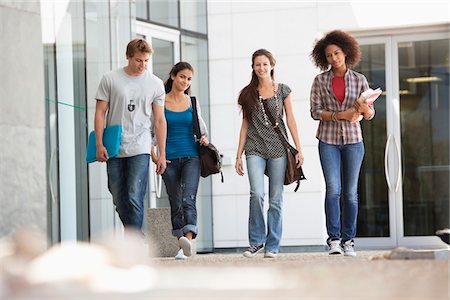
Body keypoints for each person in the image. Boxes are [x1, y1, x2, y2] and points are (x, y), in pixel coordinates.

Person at [310, 30, 375, 257]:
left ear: (345, 52)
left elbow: (369, 115)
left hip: (354, 141)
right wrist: (341, 115)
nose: (333, 58)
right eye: (328, 55)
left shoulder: (359, 79)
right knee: (333, 190)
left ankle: (349, 241)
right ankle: (334, 240)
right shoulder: (320, 81)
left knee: (350, 193)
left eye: (336, 53)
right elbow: (314, 112)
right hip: (327, 140)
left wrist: (363, 107)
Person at [235, 49, 304, 258]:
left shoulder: (283, 90)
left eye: (265, 64)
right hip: (254, 148)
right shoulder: (247, 93)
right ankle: (256, 241)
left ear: (272, 65)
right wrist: (238, 155)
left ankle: (272, 246)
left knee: (276, 199)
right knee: (256, 194)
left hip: (278, 149)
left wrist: (299, 149)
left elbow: (291, 120)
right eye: (257, 64)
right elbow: (245, 125)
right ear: (253, 67)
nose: (261, 68)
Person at [94, 38, 167, 232]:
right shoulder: (110, 79)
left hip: (141, 145)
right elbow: (100, 112)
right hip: (114, 145)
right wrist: (99, 144)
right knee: (118, 196)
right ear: (128, 57)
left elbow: (159, 120)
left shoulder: (156, 83)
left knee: (135, 194)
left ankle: (133, 240)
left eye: (146, 61)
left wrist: (161, 153)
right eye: (138, 60)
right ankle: (134, 233)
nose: (142, 65)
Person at [151, 62, 209, 260]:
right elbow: (151, 134)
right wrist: (156, 156)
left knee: (188, 198)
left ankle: (189, 240)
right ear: (173, 76)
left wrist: (204, 139)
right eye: (182, 76)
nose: (186, 81)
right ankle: (181, 245)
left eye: (189, 78)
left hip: (191, 156)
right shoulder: (160, 102)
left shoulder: (192, 102)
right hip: (168, 159)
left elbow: (202, 129)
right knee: (175, 201)